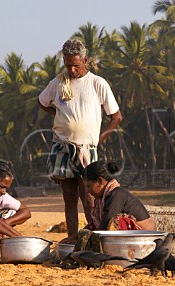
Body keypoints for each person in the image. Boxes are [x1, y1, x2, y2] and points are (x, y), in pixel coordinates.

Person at [38, 39, 123, 244]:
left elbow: (116, 117)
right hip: (63, 146)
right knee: (69, 196)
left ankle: (91, 238)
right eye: (68, 65)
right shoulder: (58, 82)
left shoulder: (97, 83)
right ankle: (72, 239)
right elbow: (42, 101)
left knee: (88, 196)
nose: (72, 69)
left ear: (86, 61)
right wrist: (59, 116)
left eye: (76, 65)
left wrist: (100, 138)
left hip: (87, 148)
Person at [81, 160, 156, 231]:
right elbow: (94, 226)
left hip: (144, 237)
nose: (87, 191)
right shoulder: (101, 199)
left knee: (116, 222)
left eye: (88, 186)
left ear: (100, 181)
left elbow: (105, 227)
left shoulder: (116, 195)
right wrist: (78, 237)